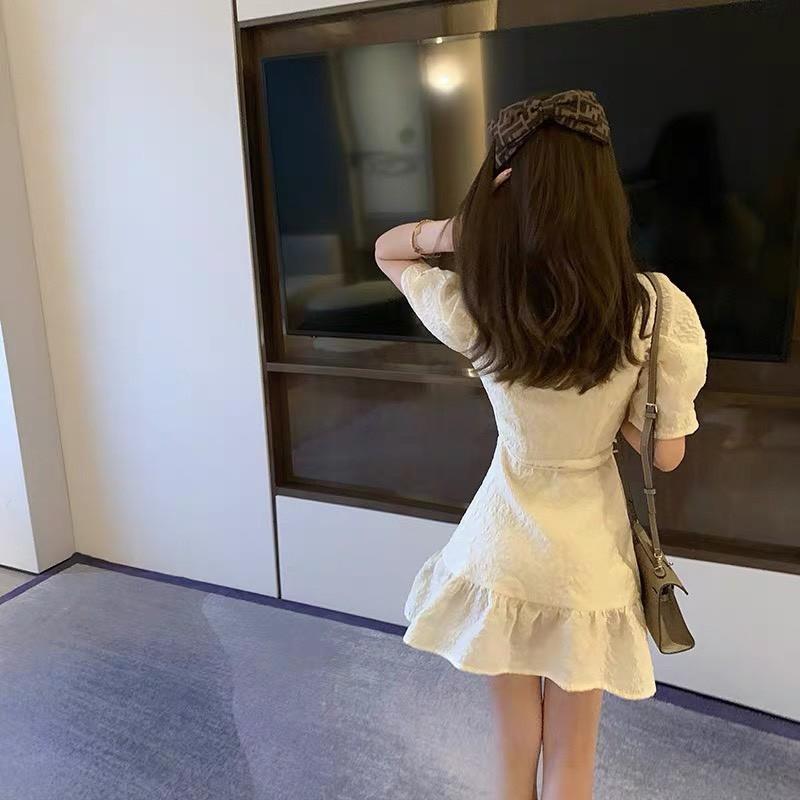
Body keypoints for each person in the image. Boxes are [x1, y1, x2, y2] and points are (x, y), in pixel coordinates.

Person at [373, 90, 708, 800]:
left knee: (514, 743)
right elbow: (666, 454)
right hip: (588, 558)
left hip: (503, 544)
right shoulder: (653, 306)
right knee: (572, 758)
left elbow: (386, 250)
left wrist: (462, 230)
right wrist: (611, 411)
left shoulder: (482, 301)